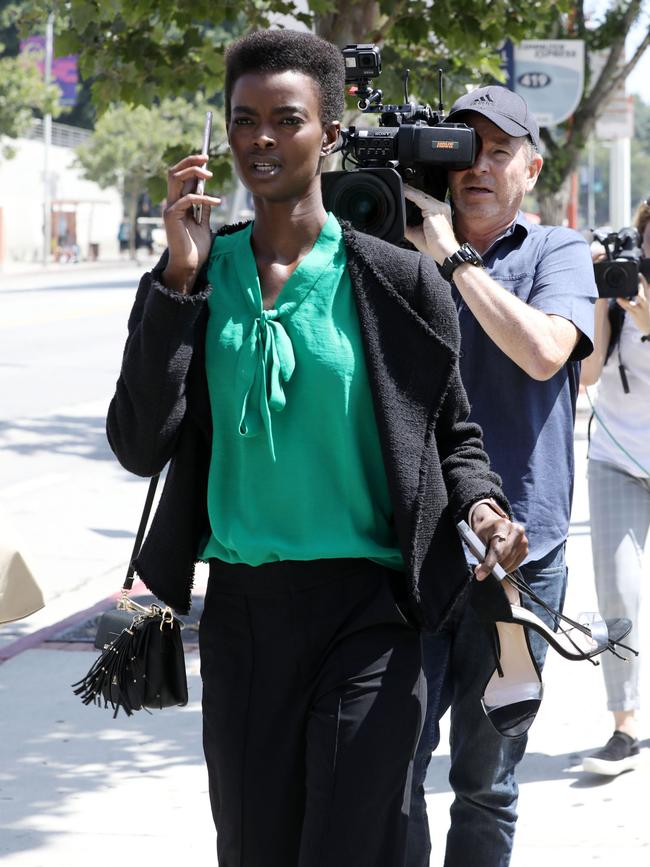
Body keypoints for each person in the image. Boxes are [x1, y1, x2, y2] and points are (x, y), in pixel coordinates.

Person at [106, 31, 528, 867]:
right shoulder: (195, 274)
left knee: (350, 846)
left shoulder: (397, 279)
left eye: (286, 119)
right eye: (244, 119)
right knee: (255, 847)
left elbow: (454, 434)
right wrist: (176, 284)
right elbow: (137, 441)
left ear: (330, 132)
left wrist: (483, 504)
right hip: (241, 616)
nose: (261, 138)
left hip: (369, 614)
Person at [403, 85, 597, 867]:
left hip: (521, 561)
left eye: (498, 150)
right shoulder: (397, 242)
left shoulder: (557, 251)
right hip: (413, 553)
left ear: (532, 166)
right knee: (393, 767)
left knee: (487, 781)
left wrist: (451, 257)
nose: (478, 165)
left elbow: (546, 351)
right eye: (462, 147)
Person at [580, 200, 650, 776]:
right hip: (616, 460)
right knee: (618, 594)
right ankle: (624, 722)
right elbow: (588, 374)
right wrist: (602, 297)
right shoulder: (621, 290)